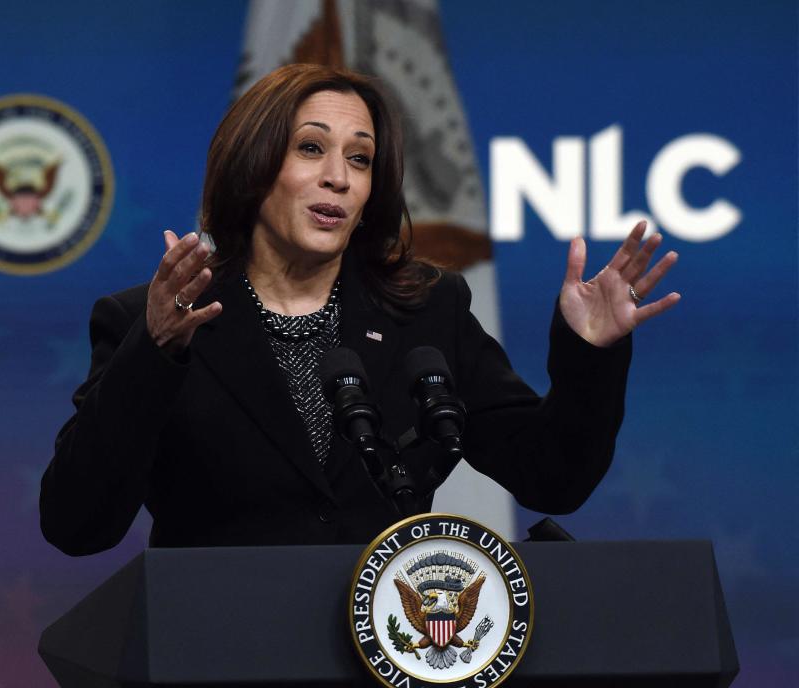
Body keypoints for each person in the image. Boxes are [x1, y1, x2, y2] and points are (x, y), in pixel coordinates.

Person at [40, 64, 679, 556]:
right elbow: (77, 524)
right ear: (253, 165)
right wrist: (153, 352)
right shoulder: (152, 322)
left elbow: (552, 479)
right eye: (311, 149)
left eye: (360, 158)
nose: (339, 179)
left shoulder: (428, 311)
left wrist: (588, 353)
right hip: (220, 656)